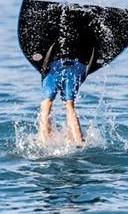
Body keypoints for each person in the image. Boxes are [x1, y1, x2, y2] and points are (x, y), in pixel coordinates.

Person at [37, 11, 95, 146]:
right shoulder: (86, 29)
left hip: (54, 65)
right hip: (78, 66)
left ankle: (43, 143)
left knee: (47, 103)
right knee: (70, 104)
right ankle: (79, 143)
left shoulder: (54, 26)